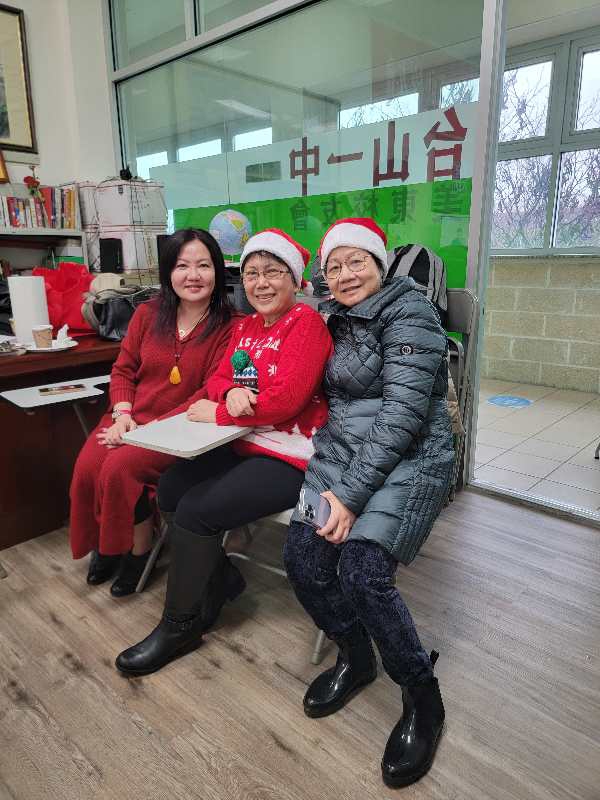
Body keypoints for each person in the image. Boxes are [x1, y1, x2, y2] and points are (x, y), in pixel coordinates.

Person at [282, 218, 455, 789]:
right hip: (339, 457)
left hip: (412, 458)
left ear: (380, 265)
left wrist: (350, 498)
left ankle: (422, 695)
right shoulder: (331, 317)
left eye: (357, 261)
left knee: (362, 573)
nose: (346, 274)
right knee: (302, 559)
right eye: (334, 266)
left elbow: (402, 415)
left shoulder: (411, 313)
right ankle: (356, 657)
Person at [115, 228, 333, 676]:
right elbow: (218, 380)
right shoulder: (247, 327)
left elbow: (287, 400)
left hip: (289, 456)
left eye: (273, 272)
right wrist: (231, 393)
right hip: (244, 442)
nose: (261, 283)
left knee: (197, 510)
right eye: (251, 274)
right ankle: (220, 580)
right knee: (171, 488)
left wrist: (221, 411)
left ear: (295, 279)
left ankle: (179, 626)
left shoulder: (307, 324)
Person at [69, 228, 236, 596]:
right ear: (168, 272)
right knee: (87, 468)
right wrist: (122, 414)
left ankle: (139, 548)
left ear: (217, 270)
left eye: (203, 265)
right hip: (129, 416)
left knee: (119, 469)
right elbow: (123, 370)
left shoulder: (230, 326)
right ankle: (107, 543)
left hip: (178, 427)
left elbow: (209, 391)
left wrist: (147, 430)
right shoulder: (148, 313)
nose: (193, 275)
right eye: (182, 266)